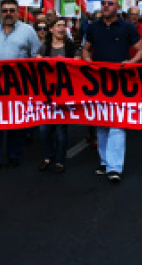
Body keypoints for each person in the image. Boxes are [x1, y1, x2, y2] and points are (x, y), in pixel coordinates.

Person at [82, 0, 142, 183]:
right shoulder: (93, 27)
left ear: (117, 7)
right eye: (103, 3)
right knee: (101, 122)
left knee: (117, 123)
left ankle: (115, 167)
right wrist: (89, 63)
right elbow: (85, 49)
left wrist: (130, 62)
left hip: (120, 80)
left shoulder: (128, 27)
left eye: (110, 3)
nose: (106, 6)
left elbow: (141, 50)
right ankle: (105, 161)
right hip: (99, 81)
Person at [0, 0, 41, 173]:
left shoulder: (28, 31)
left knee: (15, 122)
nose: (8, 13)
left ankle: (14, 156)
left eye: (12, 10)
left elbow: (37, 55)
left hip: (18, 85)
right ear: (0, 12)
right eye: (5, 10)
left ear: (18, 12)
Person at [36, 17, 81, 174]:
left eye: (63, 25)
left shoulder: (71, 47)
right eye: (58, 25)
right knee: (44, 130)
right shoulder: (44, 48)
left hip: (64, 93)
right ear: (51, 29)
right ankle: (48, 156)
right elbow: (37, 64)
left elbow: (76, 65)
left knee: (61, 131)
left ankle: (60, 160)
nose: (61, 28)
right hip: (47, 94)